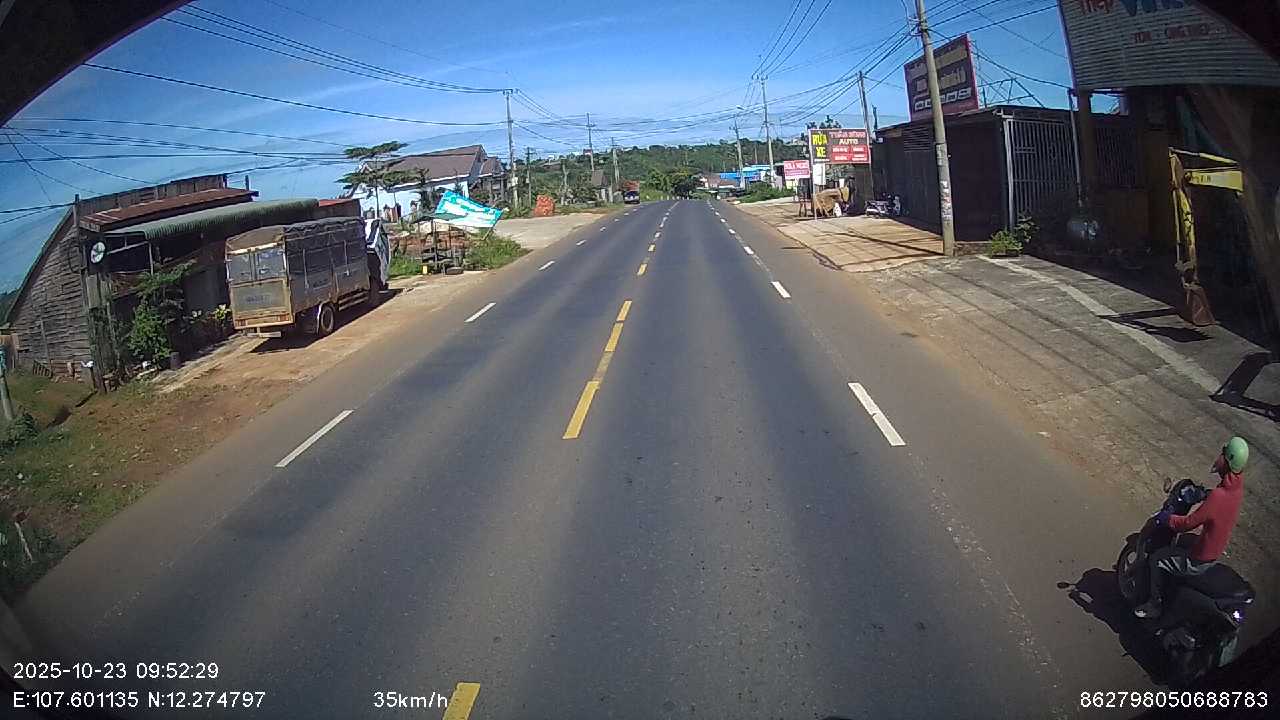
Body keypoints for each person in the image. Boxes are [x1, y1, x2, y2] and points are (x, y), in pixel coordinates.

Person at [1134, 436, 1248, 618]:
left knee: (1157, 558)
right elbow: (1217, 509)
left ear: (1227, 461)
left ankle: (1154, 605)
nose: (1219, 457)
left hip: (1199, 559)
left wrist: (1166, 518)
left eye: (1223, 454)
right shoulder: (1236, 490)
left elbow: (1187, 524)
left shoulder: (1219, 496)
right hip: (1213, 552)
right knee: (1181, 543)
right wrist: (1204, 494)